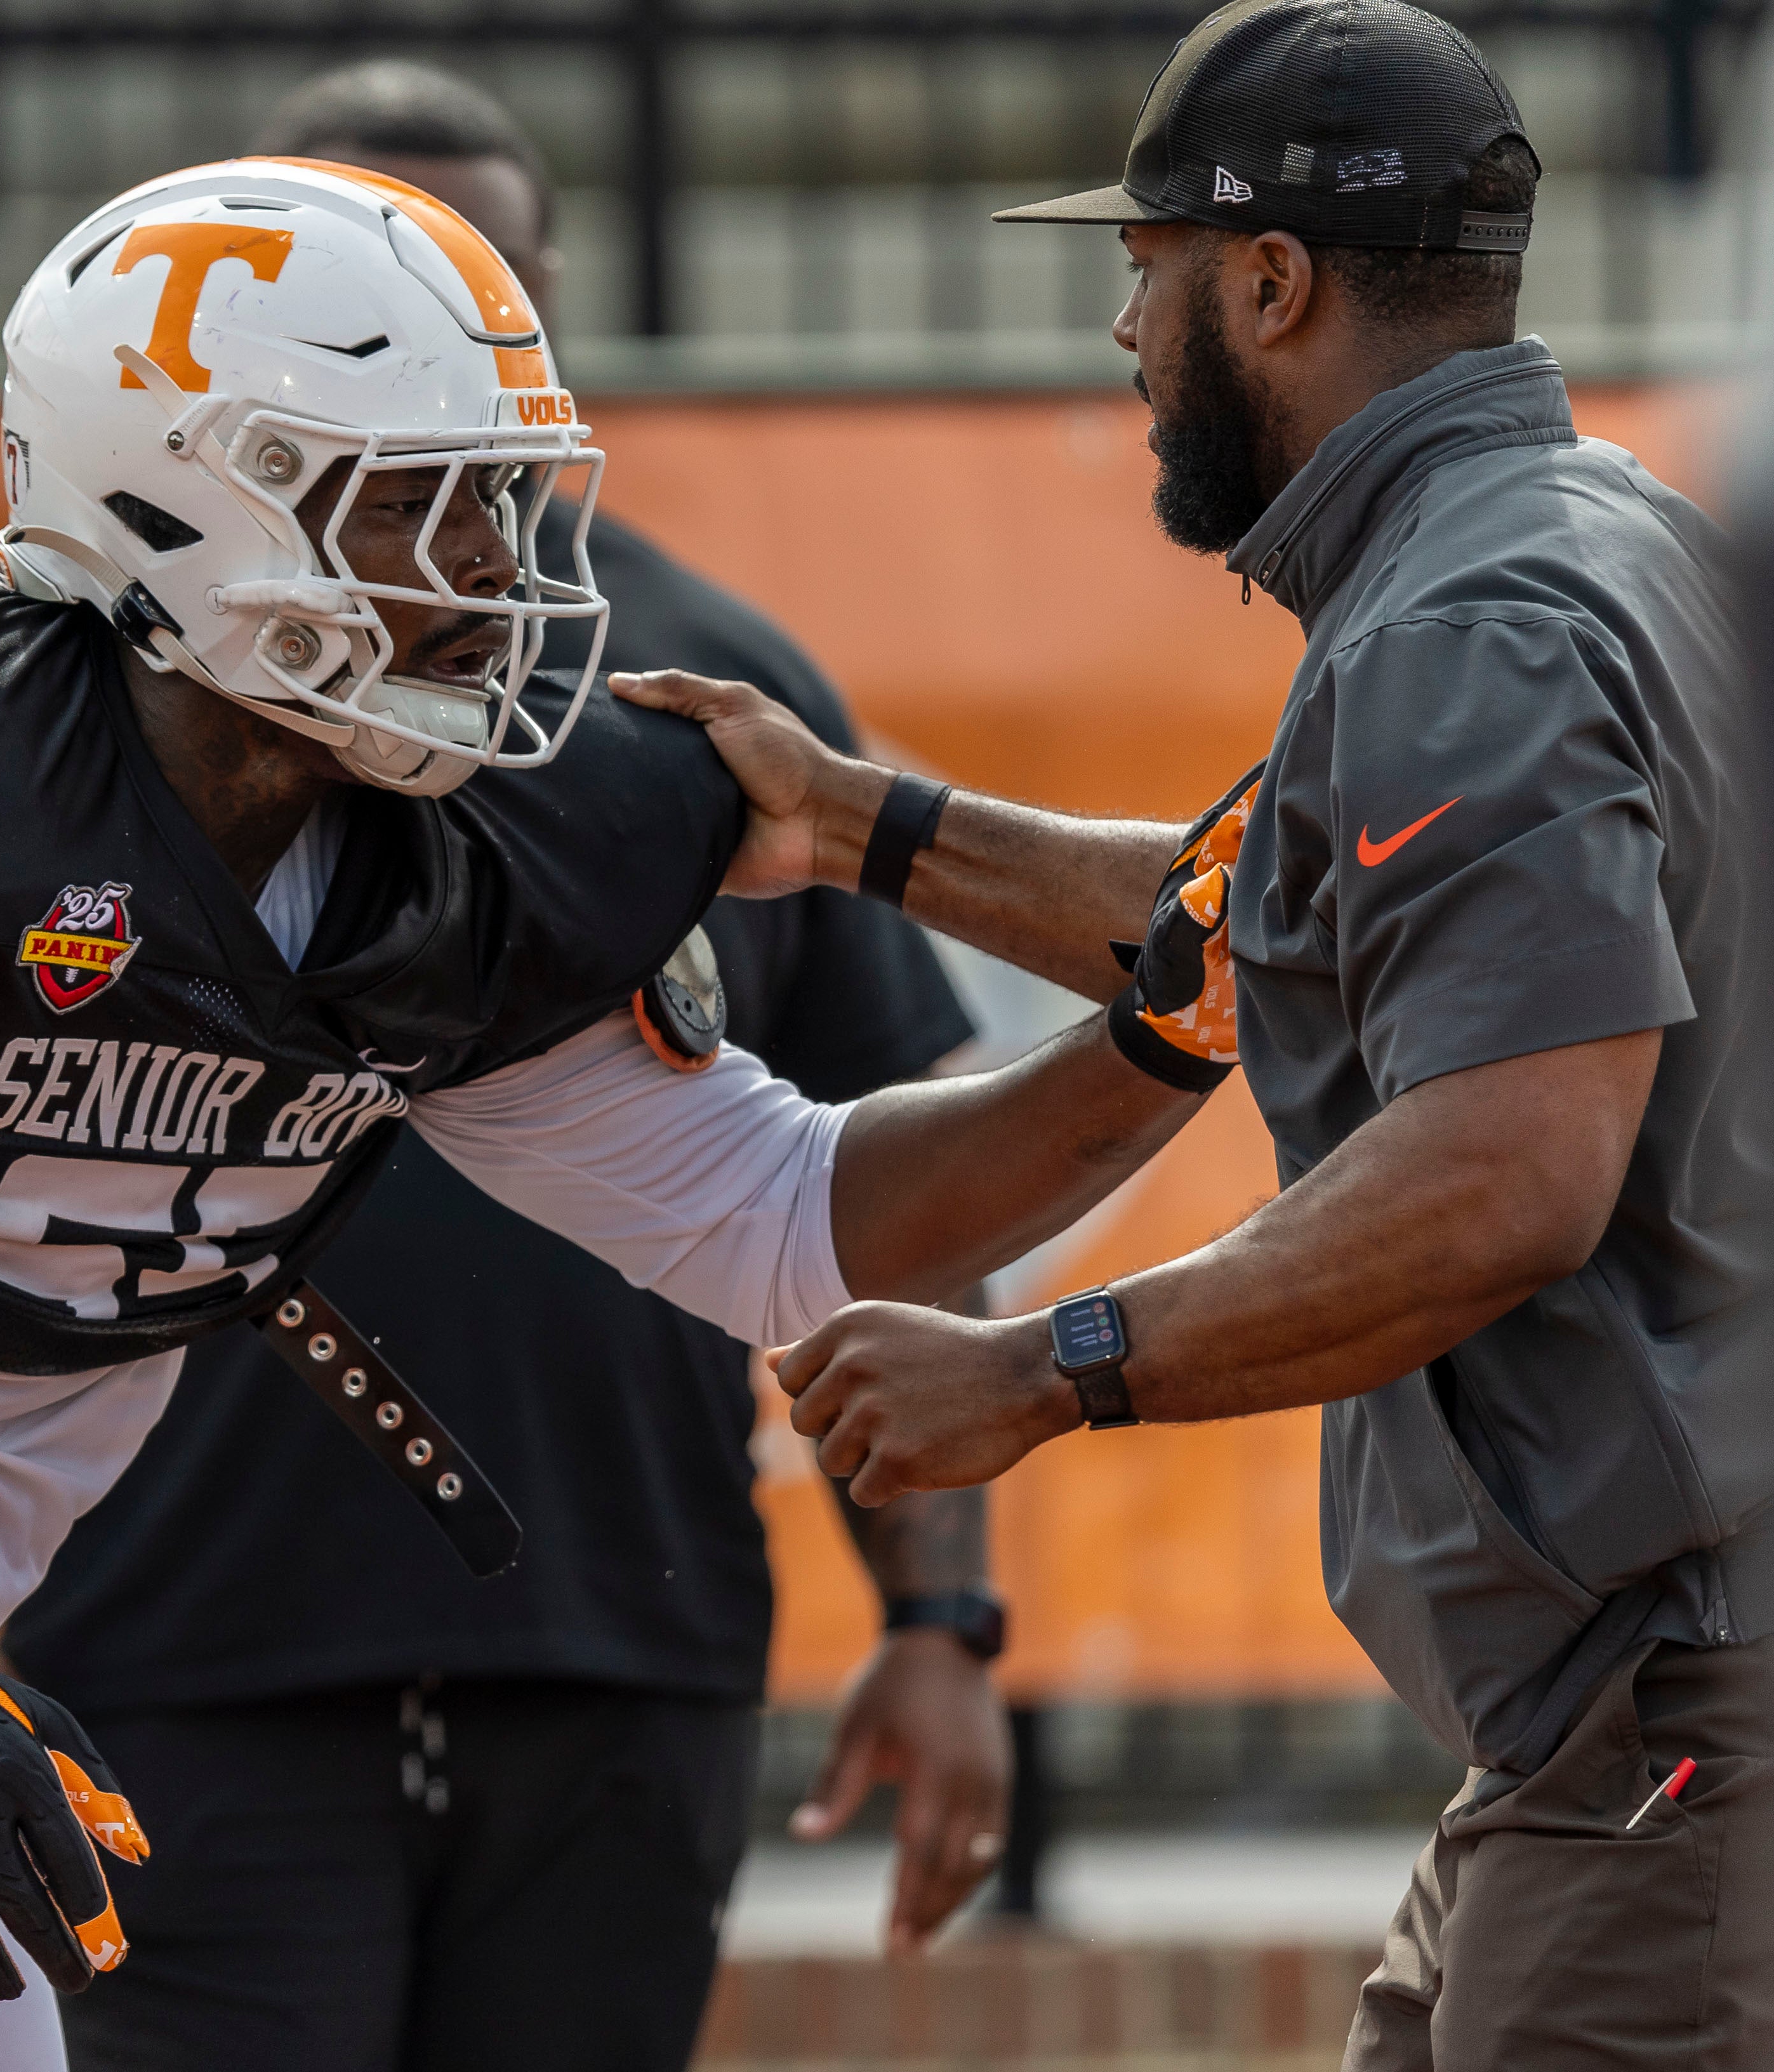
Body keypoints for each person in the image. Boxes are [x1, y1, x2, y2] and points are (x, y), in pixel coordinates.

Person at [0, 156, 1223, 2071]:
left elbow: (800, 1218)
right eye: (423, 506)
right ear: (192, 508)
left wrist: (1155, 1037)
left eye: (506, 505)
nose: (494, 575)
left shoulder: (456, 866)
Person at [619, 2, 1770, 2061]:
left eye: (1142, 271)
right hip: (1619, 1719)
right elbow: (1280, 911)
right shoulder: (1594, 535)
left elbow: (1508, 1170)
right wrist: (854, 822)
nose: (1122, 334)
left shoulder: (1466, 627)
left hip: (1674, 1720)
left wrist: (1045, 1368)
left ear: (1269, 282)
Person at [6, 64, 1004, 2072]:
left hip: (611, 1644)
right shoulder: (79, 700)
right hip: (182, 1641)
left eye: (482, 287)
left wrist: (939, 1621)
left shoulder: (703, 710)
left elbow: (873, 1191)